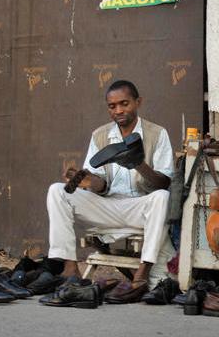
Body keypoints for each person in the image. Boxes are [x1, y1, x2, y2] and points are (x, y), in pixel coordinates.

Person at [46, 80, 174, 303]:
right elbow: (101, 185)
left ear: (138, 102)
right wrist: (89, 181)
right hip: (107, 207)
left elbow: (163, 183)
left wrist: (138, 164)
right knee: (57, 191)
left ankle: (143, 272)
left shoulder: (157, 134)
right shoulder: (100, 135)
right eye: (112, 106)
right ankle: (70, 269)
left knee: (162, 197)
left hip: (140, 208)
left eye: (124, 104)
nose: (118, 111)